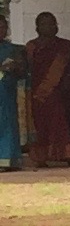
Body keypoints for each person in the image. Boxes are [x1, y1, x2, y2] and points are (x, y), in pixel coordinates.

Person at [24, 13, 70, 167]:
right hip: (38, 95)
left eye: (52, 23)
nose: (49, 27)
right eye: (44, 24)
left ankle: (68, 156)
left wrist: (65, 87)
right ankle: (41, 158)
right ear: (37, 28)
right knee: (41, 126)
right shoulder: (31, 47)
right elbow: (27, 70)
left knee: (64, 124)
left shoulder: (68, 47)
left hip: (62, 94)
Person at [0, 27, 23, 168]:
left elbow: (22, 72)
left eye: (3, 27)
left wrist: (16, 66)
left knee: (9, 124)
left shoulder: (12, 49)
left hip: (7, 92)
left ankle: (9, 159)